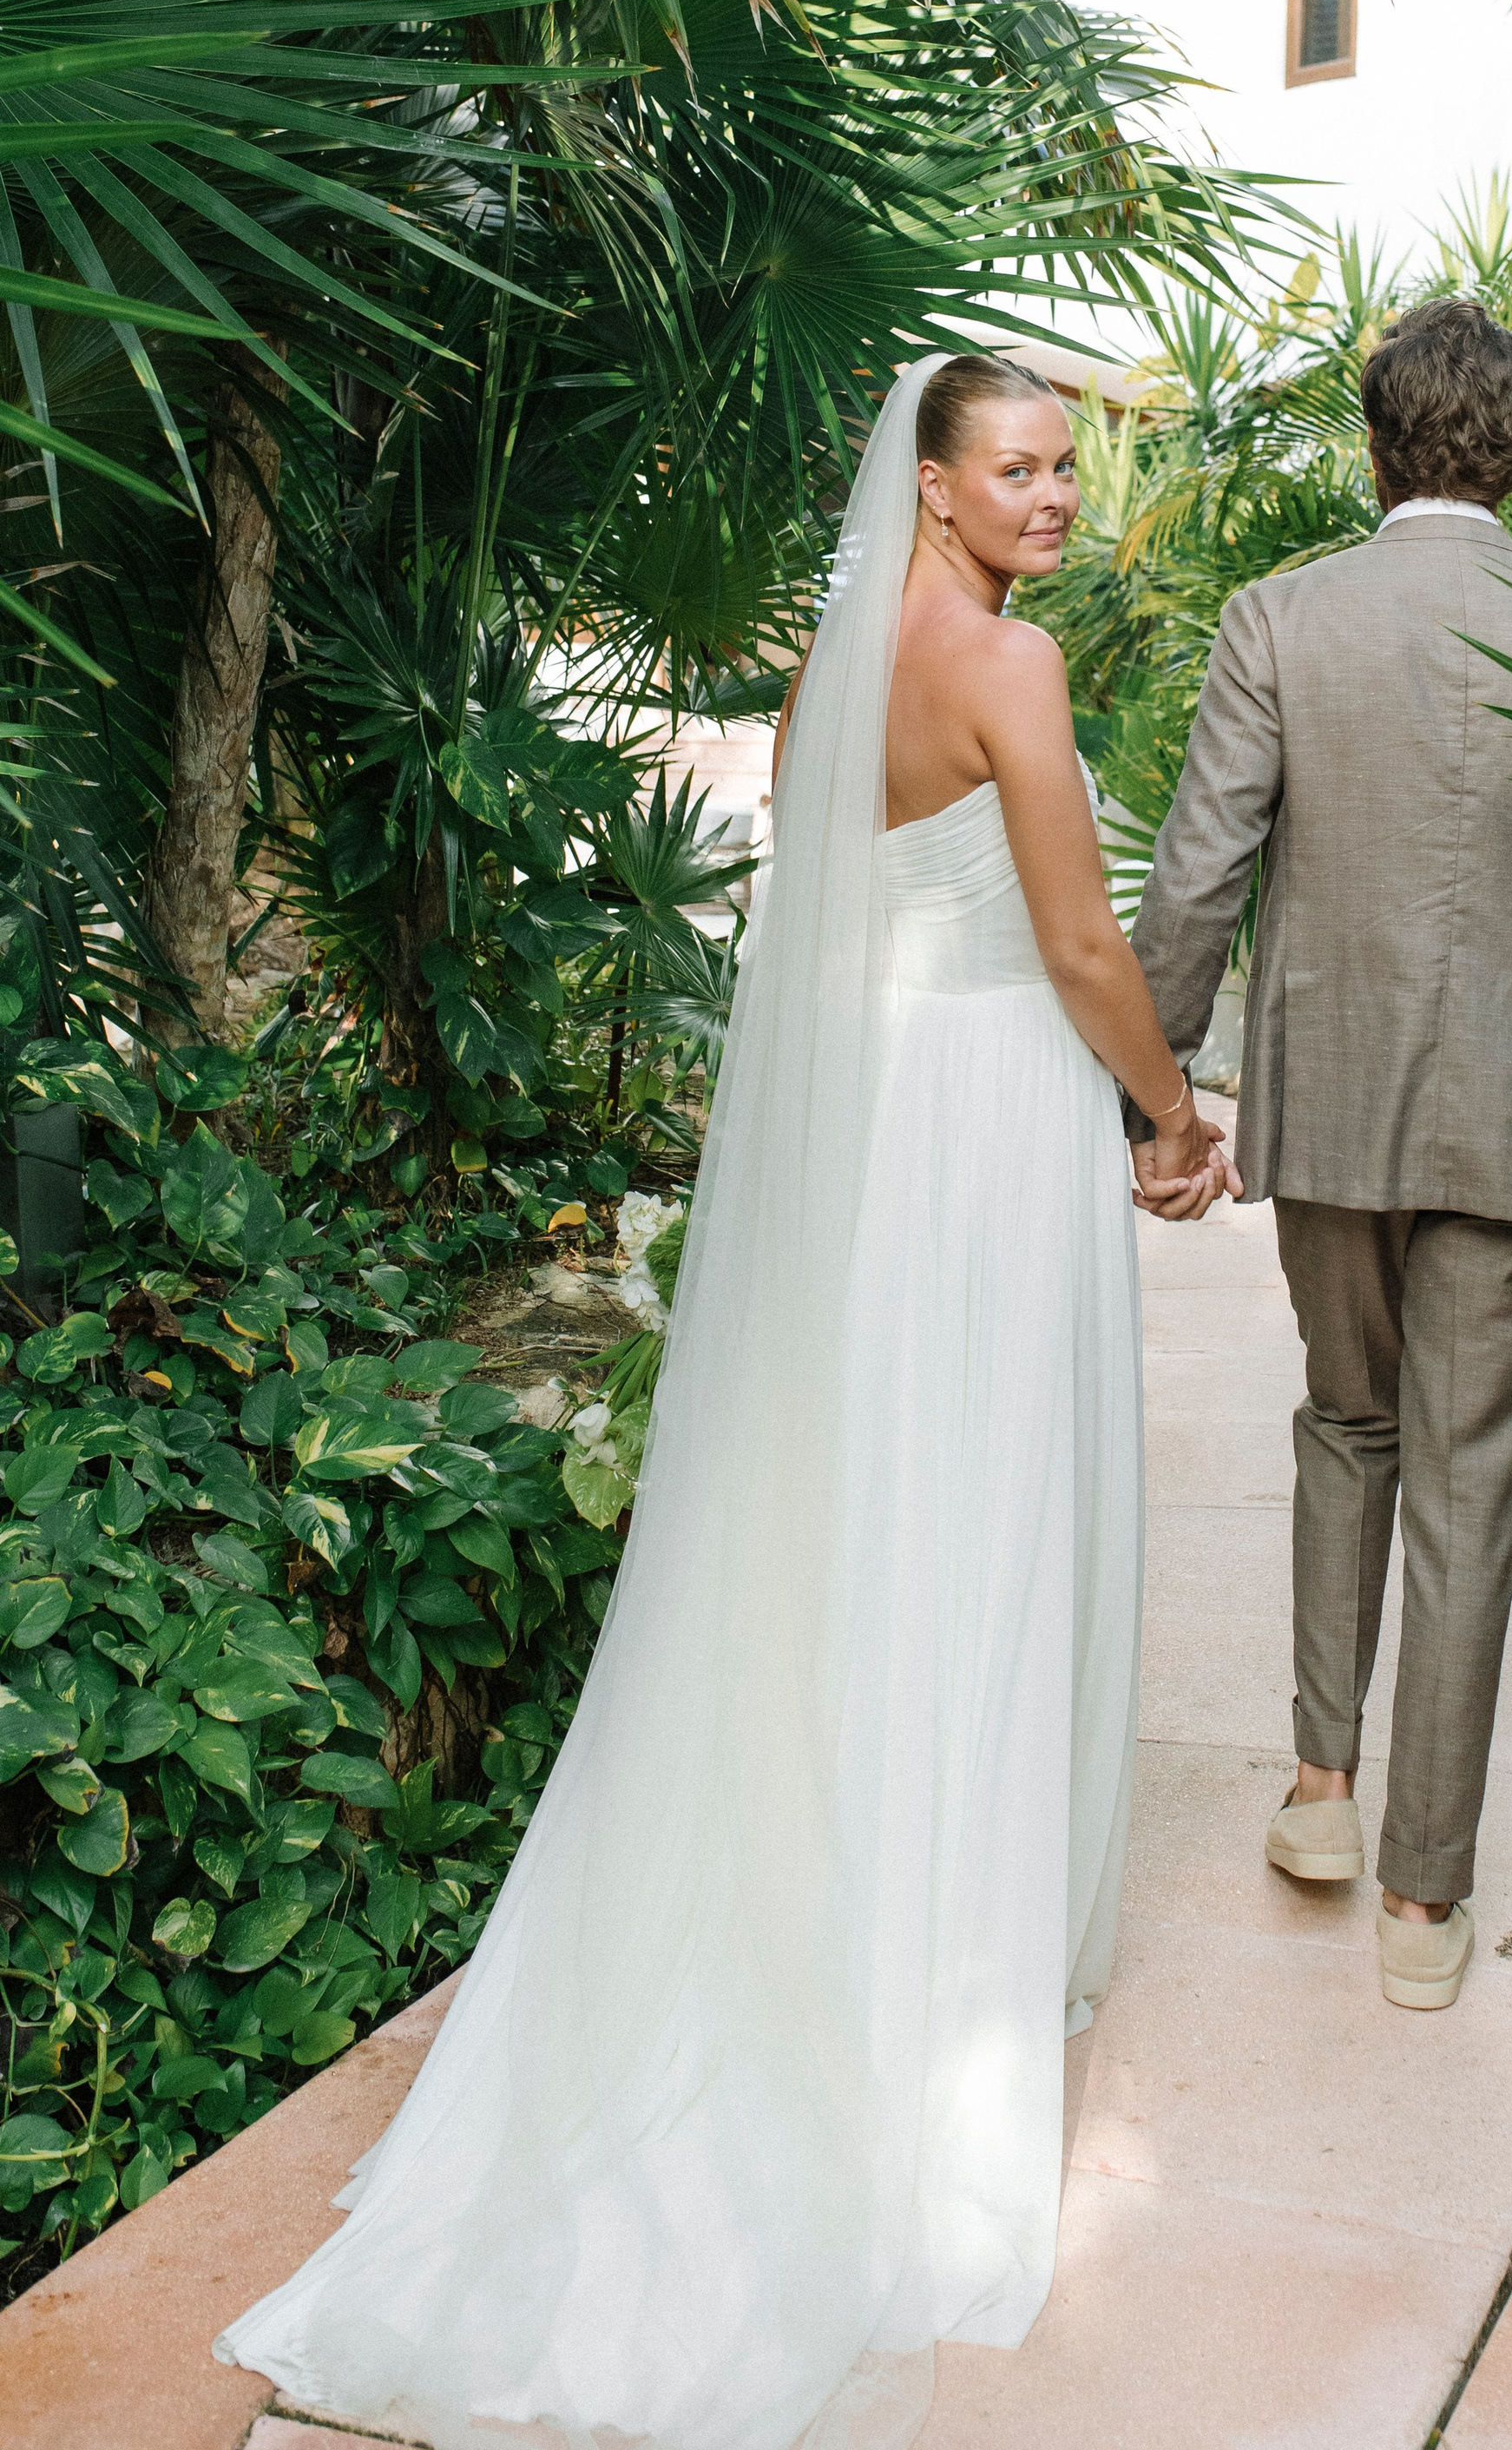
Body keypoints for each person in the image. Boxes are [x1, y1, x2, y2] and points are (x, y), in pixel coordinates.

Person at [216, 352, 1227, 2450]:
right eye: (1019, 469)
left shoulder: (830, 672)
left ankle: (840, 1891)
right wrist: (1170, 1107)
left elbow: (824, 933)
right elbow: (1073, 938)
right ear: (933, 489)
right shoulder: (1008, 681)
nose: (1054, 496)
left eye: (1066, 465)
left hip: (875, 1141)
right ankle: (925, 1966)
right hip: (983, 1126)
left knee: (865, 1506)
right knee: (982, 1507)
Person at [1127, 297, 1512, 2014]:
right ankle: (1425, 1905)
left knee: (1343, 1422)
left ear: (1374, 449)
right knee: (1469, 1488)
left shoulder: (1280, 619)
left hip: (1339, 1114)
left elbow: (1197, 874)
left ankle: (1318, 1791)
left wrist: (1161, 1096)